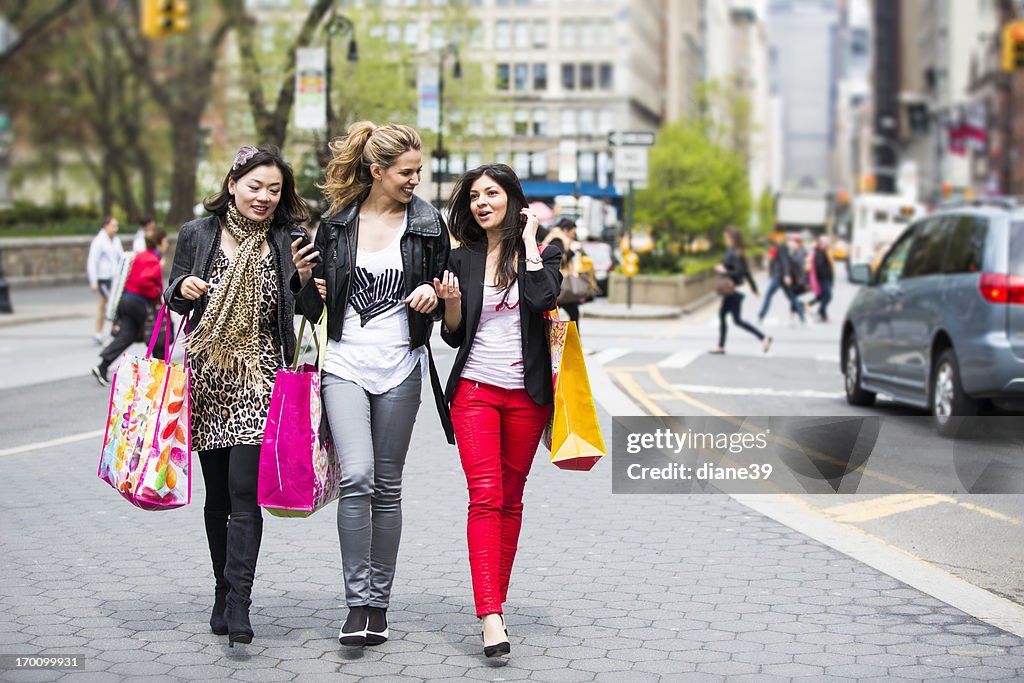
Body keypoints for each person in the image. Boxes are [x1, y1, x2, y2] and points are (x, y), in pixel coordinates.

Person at [293, 122, 451, 648]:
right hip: (344, 364)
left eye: (418, 171)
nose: (415, 180)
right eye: (406, 172)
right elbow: (312, 305)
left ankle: (377, 606)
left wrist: (433, 292)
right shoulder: (335, 226)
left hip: (402, 366)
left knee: (388, 486)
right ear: (377, 170)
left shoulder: (429, 225)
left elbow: (446, 291)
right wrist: (302, 283)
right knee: (356, 476)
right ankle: (354, 600)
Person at [165, 145, 307, 647]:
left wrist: (307, 277)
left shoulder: (288, 239)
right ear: (231, 185)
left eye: (274, 189)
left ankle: (241, 602)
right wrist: (182, 287)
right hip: (207, 376)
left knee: (246, 493)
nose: (264, 197)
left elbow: (308, 304)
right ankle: (221, 593)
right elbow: (171, 288)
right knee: (218, 496)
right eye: (255, 187)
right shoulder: (197, 233)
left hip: (261, 376)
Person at [437, 164, 563, 658]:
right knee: (486, 494)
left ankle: (497, 601)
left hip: (527, 397)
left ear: (512, 198)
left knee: (511, 499)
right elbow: (453, 334)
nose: (481, 203)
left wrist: (530, 240)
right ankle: (490, 614)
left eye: (491, 193)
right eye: (473, 197)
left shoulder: (546, 251)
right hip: (475, 392)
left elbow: (542, 297)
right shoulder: (460, 257)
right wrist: (450, 303)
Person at [91, 229, 169, 385]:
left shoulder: (141, 255)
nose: (167, 244)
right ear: (159, 243)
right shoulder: (153, 260)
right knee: (155, 334)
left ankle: (103, 365)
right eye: (165, 241)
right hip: (138, 302)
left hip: (127, 300)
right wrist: (157, 294)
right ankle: (160, 375)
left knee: (128, 334)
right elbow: (145, 282)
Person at [711, 226, 771, 355]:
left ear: (732, 238)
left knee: (733, 319)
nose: (725, 240)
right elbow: (747, 272)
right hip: (733, 291)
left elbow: (739, 272)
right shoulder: (736, 252)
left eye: (726, 237)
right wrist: (754, 288)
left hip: (733, 291)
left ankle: (762, 337)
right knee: (731, 318)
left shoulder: (733, 253)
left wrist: (724, 270)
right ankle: (762, 338)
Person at [86, 216, 123, 345]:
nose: (116, 229)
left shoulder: (116, 240)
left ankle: (104, 331)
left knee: (107, 305)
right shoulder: (99, 241)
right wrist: (93, 281)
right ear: (106, 226)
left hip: (115, 277)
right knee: (109, 303)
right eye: (113, 226)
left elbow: (121, 257)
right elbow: (93, 261)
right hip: (103, 278)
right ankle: (107, 330)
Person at [757, 232, 805, 324]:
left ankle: (761, 316)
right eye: (794, 242)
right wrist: (787, 275)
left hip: (779, 276)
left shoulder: (785, 248)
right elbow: (784, 262)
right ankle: (802, 315)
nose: (795, 244)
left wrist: (787, 275)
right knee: (791, 297)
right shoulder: (785, 248)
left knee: (772, 295)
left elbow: (786, 262)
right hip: (781, 276)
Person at [812, 234, 834, 322]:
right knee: (828, 296)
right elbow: (819, 267)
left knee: (823, 296)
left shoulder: (822, 251)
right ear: (822, 243)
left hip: (825, 279)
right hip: (823, 279)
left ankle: (823, 314)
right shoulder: (820, 252)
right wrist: (824, 277)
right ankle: (820, 309)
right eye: (827, 242)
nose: (828, 244)